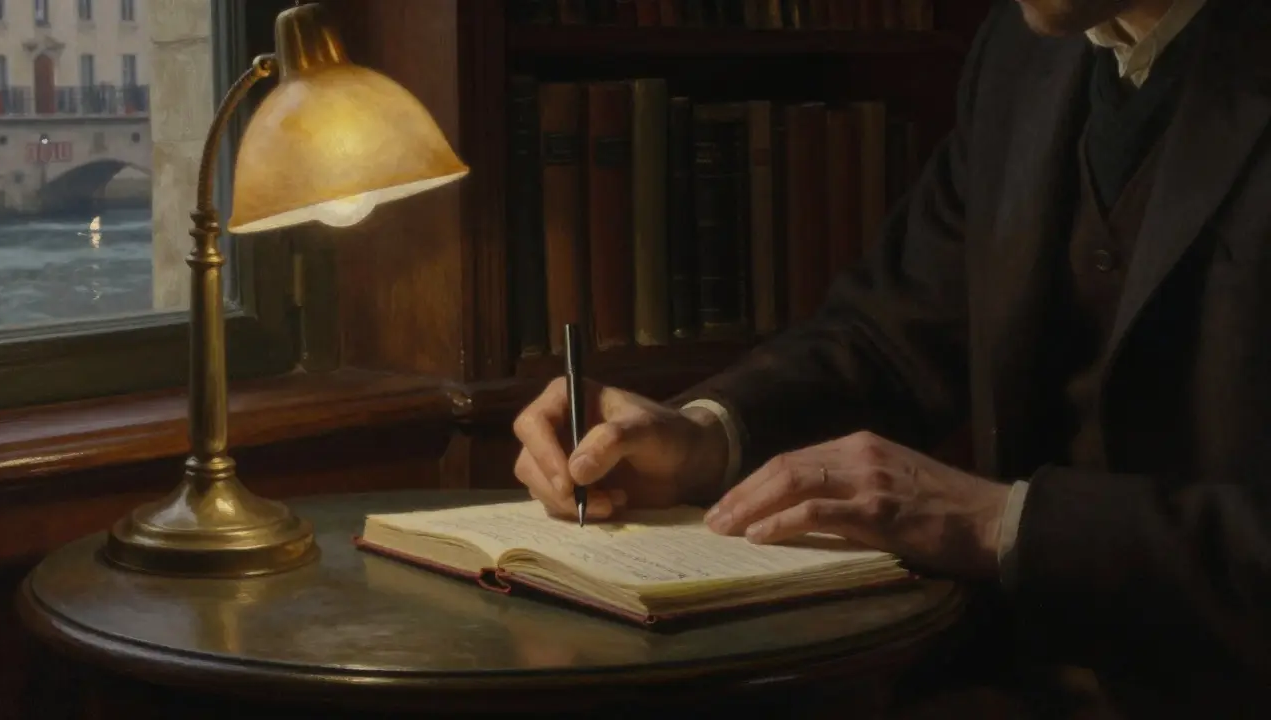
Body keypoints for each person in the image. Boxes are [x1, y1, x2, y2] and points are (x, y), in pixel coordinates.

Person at [511, 0, 1271, 716]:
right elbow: (891, 337)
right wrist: (705, 437)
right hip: (1008, 680)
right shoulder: (1022, 51)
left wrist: (1003, 525)